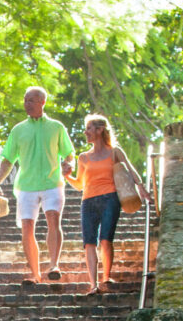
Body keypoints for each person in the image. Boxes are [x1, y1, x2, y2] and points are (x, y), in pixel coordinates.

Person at [0, 86, 75, 285]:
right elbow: (8, 160)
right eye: (25, 100)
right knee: (27, 227)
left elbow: (69, 154)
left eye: (31, 100)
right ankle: (35, 275)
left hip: (52, 183)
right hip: (26, 186)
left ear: (42, 102)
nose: (26, 104)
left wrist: (69, 164)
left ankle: (54, 265)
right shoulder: (18, 130)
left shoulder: (56, 127)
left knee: (53, 219)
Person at [62, 114, 146, 294]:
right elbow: (80, 185)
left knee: (106, 240)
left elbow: (131, 171)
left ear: (100, 130)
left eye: (89, 129)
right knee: (89, 243)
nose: (85, 132)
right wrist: (67, 176)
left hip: (110, 198)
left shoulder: (114, 152)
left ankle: (106, 276)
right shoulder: (84, 157)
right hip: (88, 201)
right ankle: (93, 284)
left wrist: (141, 188)